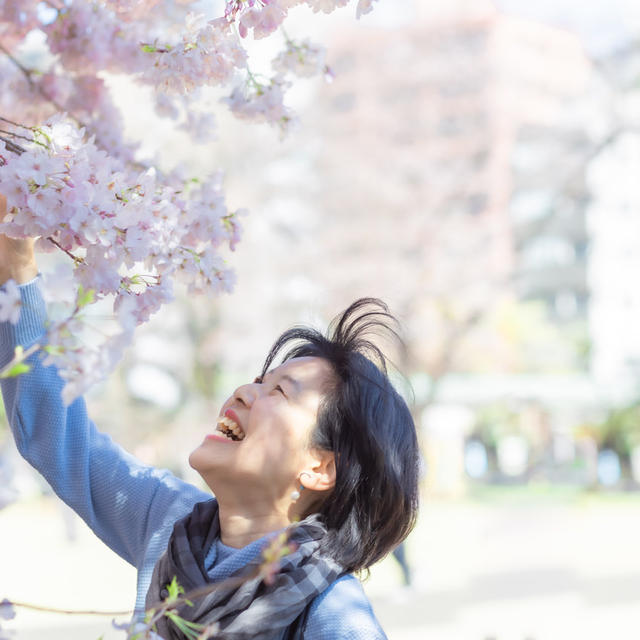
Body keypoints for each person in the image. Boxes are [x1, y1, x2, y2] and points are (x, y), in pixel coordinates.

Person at [0, 228, 420, 639]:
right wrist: (17, 266)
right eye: (258, 380)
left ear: (320, 466)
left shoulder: (333, 617)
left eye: (278, 391)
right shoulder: (168, 521)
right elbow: (59, 437)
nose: (243, 392)